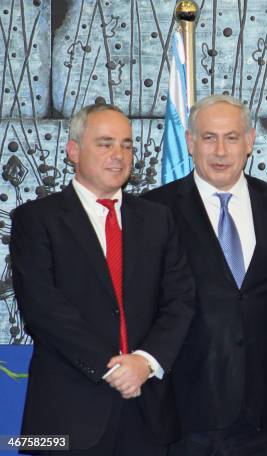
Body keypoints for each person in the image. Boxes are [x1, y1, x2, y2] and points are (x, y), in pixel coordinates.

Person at [10, 103, 195, 455]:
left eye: (127, 144)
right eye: (105, 143)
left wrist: (145, 362)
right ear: (73, 151)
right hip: (67, 416)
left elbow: (180, 299)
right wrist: (112, 369)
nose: (119, 155)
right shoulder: (36, 220)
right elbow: (43, 308)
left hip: (148, 411)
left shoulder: (158, 219)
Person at [143, 94, 267, 455]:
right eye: (208, 137)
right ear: (189, 142)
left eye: (231, 137)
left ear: (249, 142)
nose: (220, 151)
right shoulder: (154, 210)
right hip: (182, 411)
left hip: (260, 412)